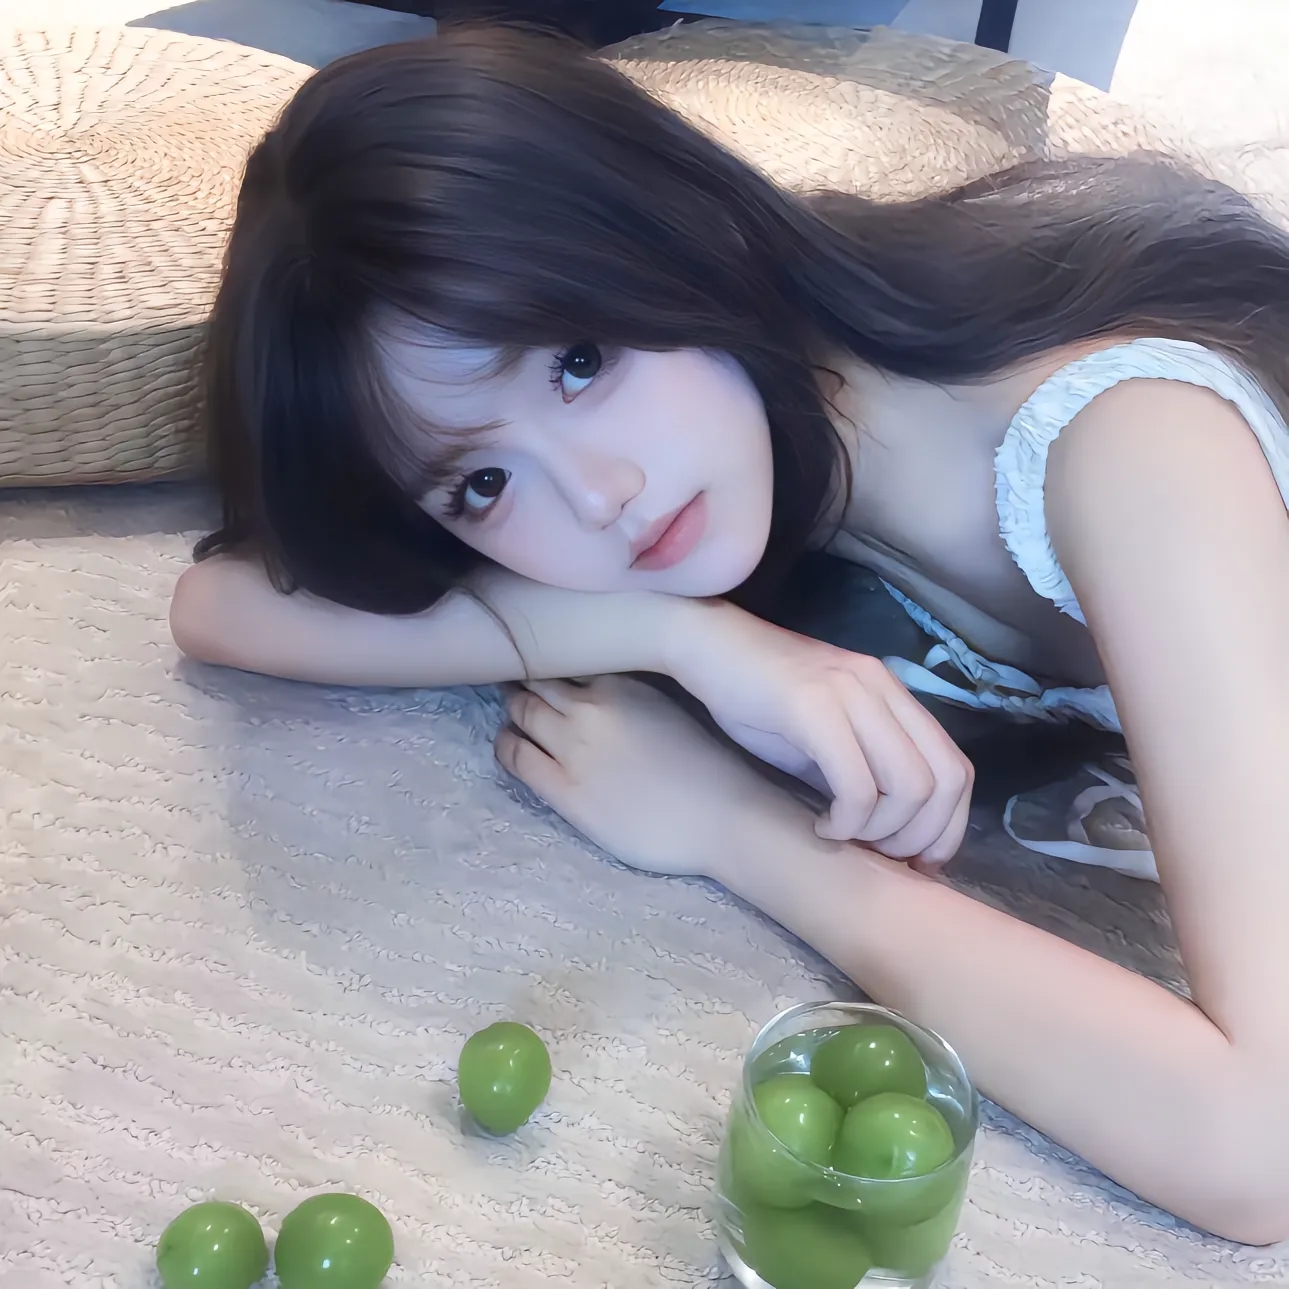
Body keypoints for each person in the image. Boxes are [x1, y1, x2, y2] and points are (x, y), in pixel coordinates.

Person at [169, 27, 1289, 1242]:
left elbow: (1254, 1148)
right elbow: (221, 604)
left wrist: (737, 829)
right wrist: (685, 633)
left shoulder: (1133, 448)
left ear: (675, 228)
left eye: (579, 362)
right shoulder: (774, 431)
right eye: (480, 483)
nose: (596, 495)